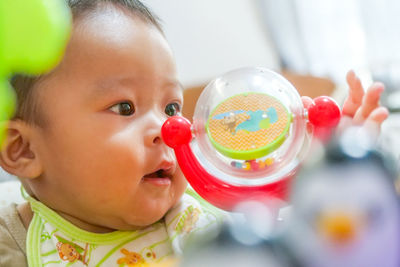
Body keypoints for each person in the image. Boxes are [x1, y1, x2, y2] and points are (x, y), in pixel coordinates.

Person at [0, 0, 388, 266]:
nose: (169, 129)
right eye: (125, 108)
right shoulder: (13, 240)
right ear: (23, 151)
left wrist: (336, 168)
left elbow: (302, 240)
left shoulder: (211, 206)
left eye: (171, 107)